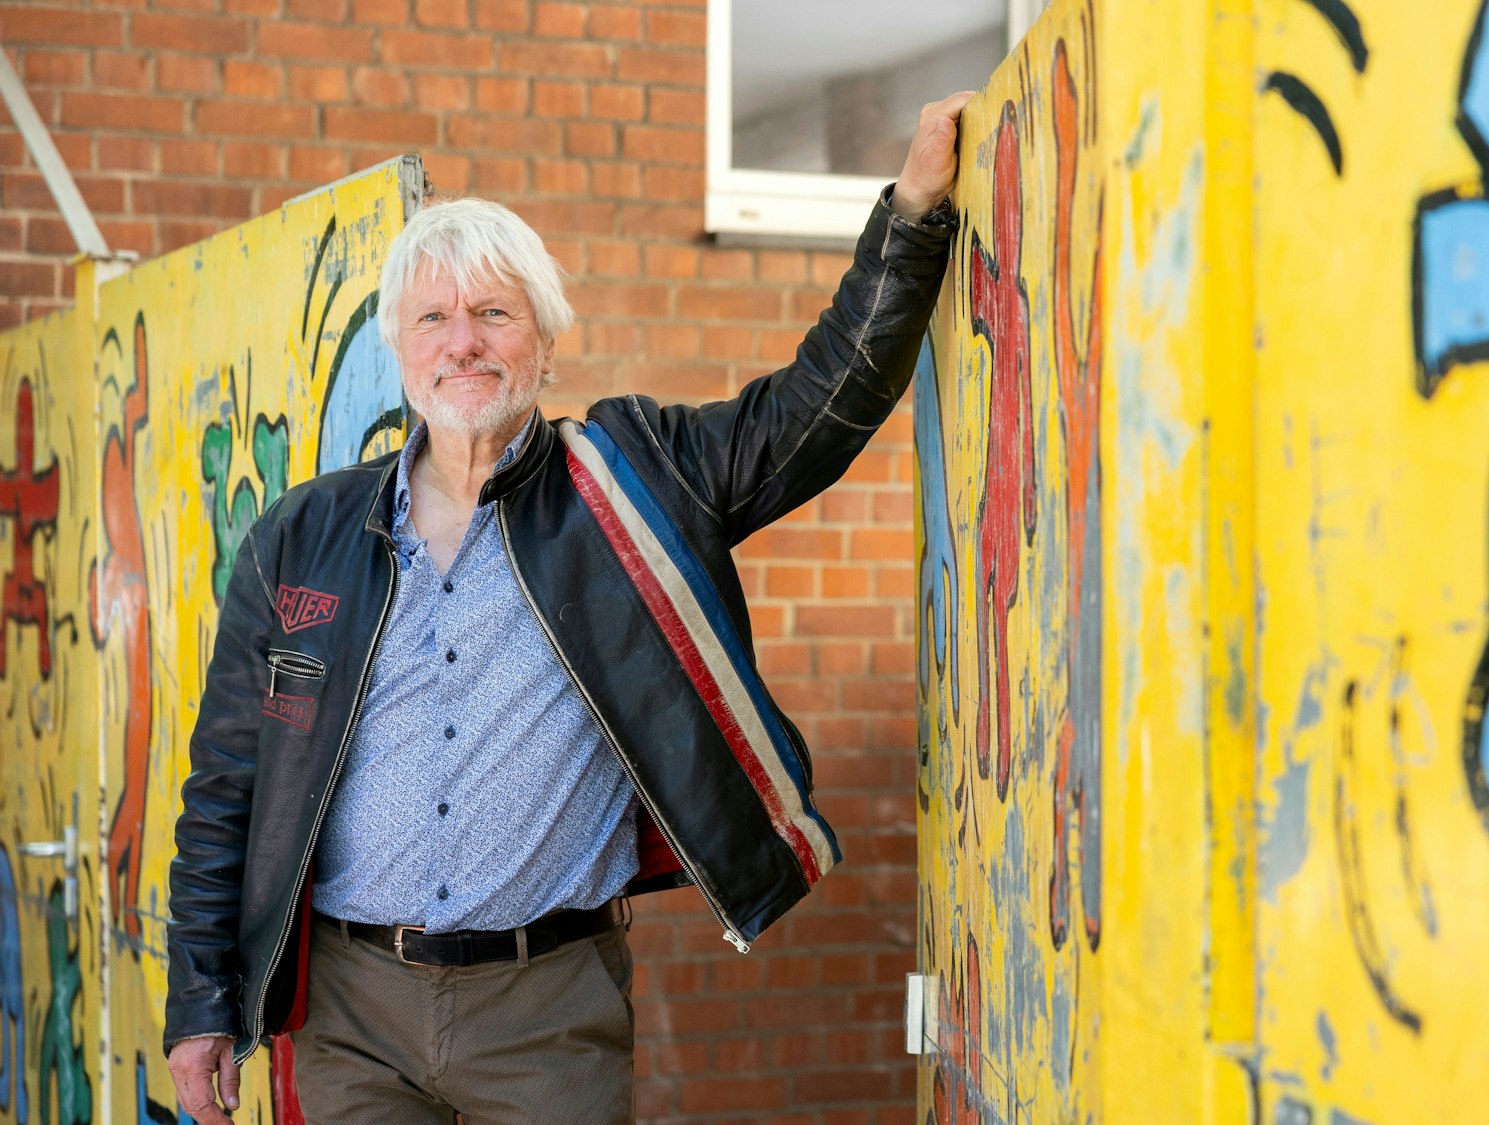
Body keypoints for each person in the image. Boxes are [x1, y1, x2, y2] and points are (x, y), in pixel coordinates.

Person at [163, 91, 975, 1125]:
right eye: (434, 318)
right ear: (397, 350)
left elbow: (815, 408)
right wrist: (202, 1006)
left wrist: (911, 212)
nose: (464, 342)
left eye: (494, 313)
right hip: (351, 1016)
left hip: (548, 1013)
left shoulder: (633, 484)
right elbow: (229, 784)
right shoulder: (299, 535)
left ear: (545, 342)